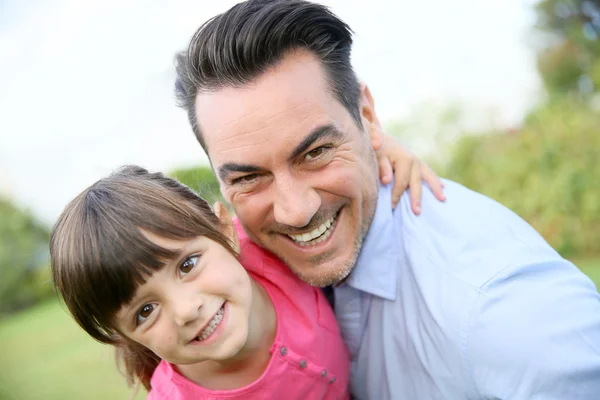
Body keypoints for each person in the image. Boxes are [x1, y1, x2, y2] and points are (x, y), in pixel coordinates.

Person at [173, 0, 600, 399]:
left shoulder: (503, 313)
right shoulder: (222, 282)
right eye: (249, 177)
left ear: (369, 118)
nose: (295, 210)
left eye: (316, 152)